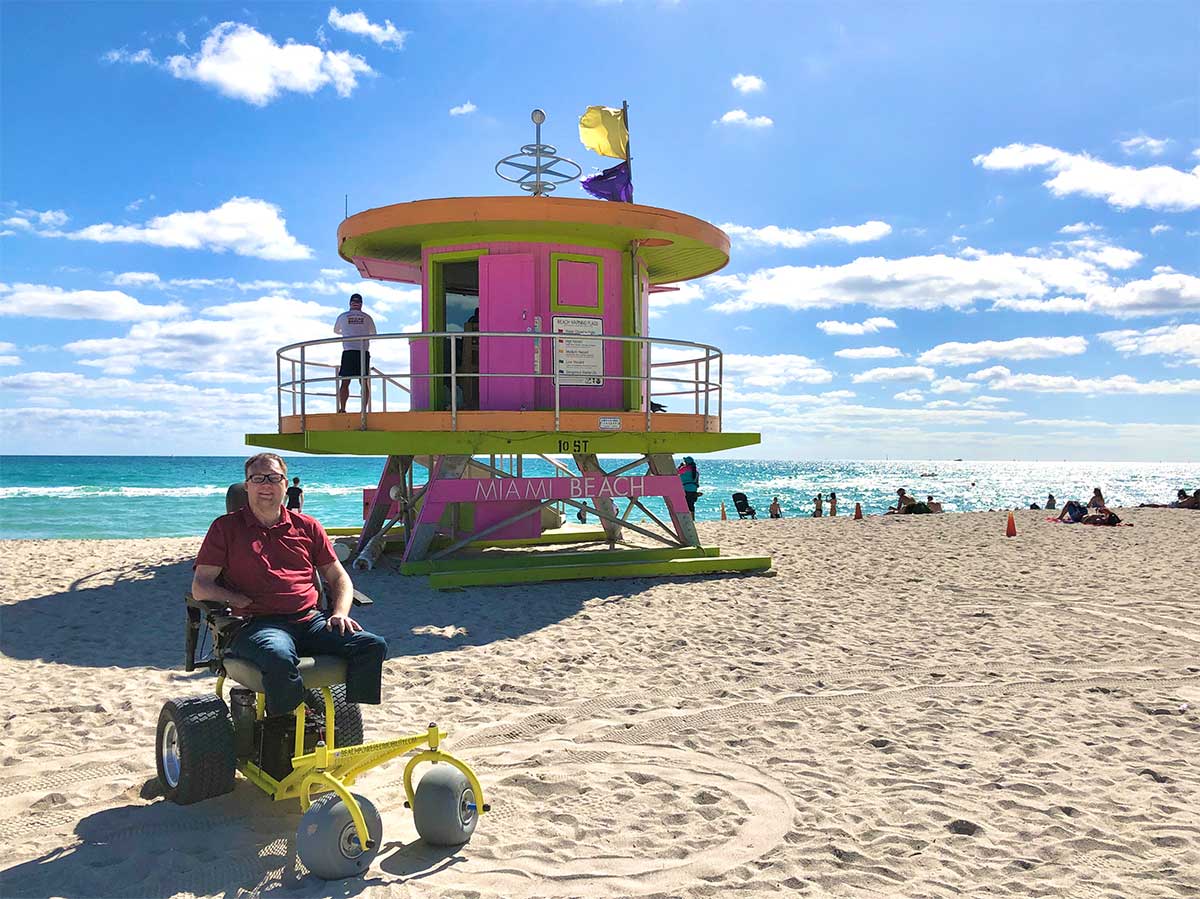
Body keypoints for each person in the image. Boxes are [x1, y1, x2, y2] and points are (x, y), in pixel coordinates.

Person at [192, 453, 387, 718]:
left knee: (372, 645)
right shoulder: (225, 528)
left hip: (311, 621)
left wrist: (340, 613)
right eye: (258, 478)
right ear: (246, 485)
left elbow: (338, 577)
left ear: (286, 485)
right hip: (258, 625)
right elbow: (201, 587)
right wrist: (234, 598)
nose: (266, 485)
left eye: (274, 478)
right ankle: (288, 721)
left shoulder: (307, 526)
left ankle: (342, 718)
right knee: (279, 657)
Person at [334, 293, 377, 414]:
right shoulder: (367, 317)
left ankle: (342, 408)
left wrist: (348, 332)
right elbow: (373, 333)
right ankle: (363, 409)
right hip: (362, 351)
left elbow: (336, 330)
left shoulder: (343, 316)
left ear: (350, 303)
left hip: (348, 351)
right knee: (363, 381)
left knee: (345, 381)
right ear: (361, 304)